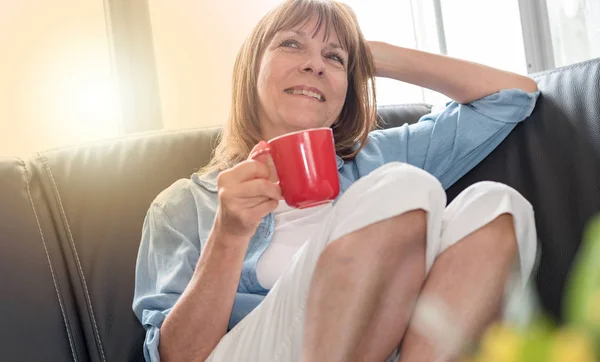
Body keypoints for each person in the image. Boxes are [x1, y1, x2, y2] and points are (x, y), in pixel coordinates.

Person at [133, 0, 540, 361]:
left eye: (335, 57)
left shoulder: (378, 158)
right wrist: (229, 234)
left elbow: (512, 96)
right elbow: (176, 357)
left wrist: (373, 56)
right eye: (291, 44)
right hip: (254, 350)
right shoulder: (183, 204)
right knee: (403, 187)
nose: (315, 64)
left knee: (499, 206)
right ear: (251, 68)